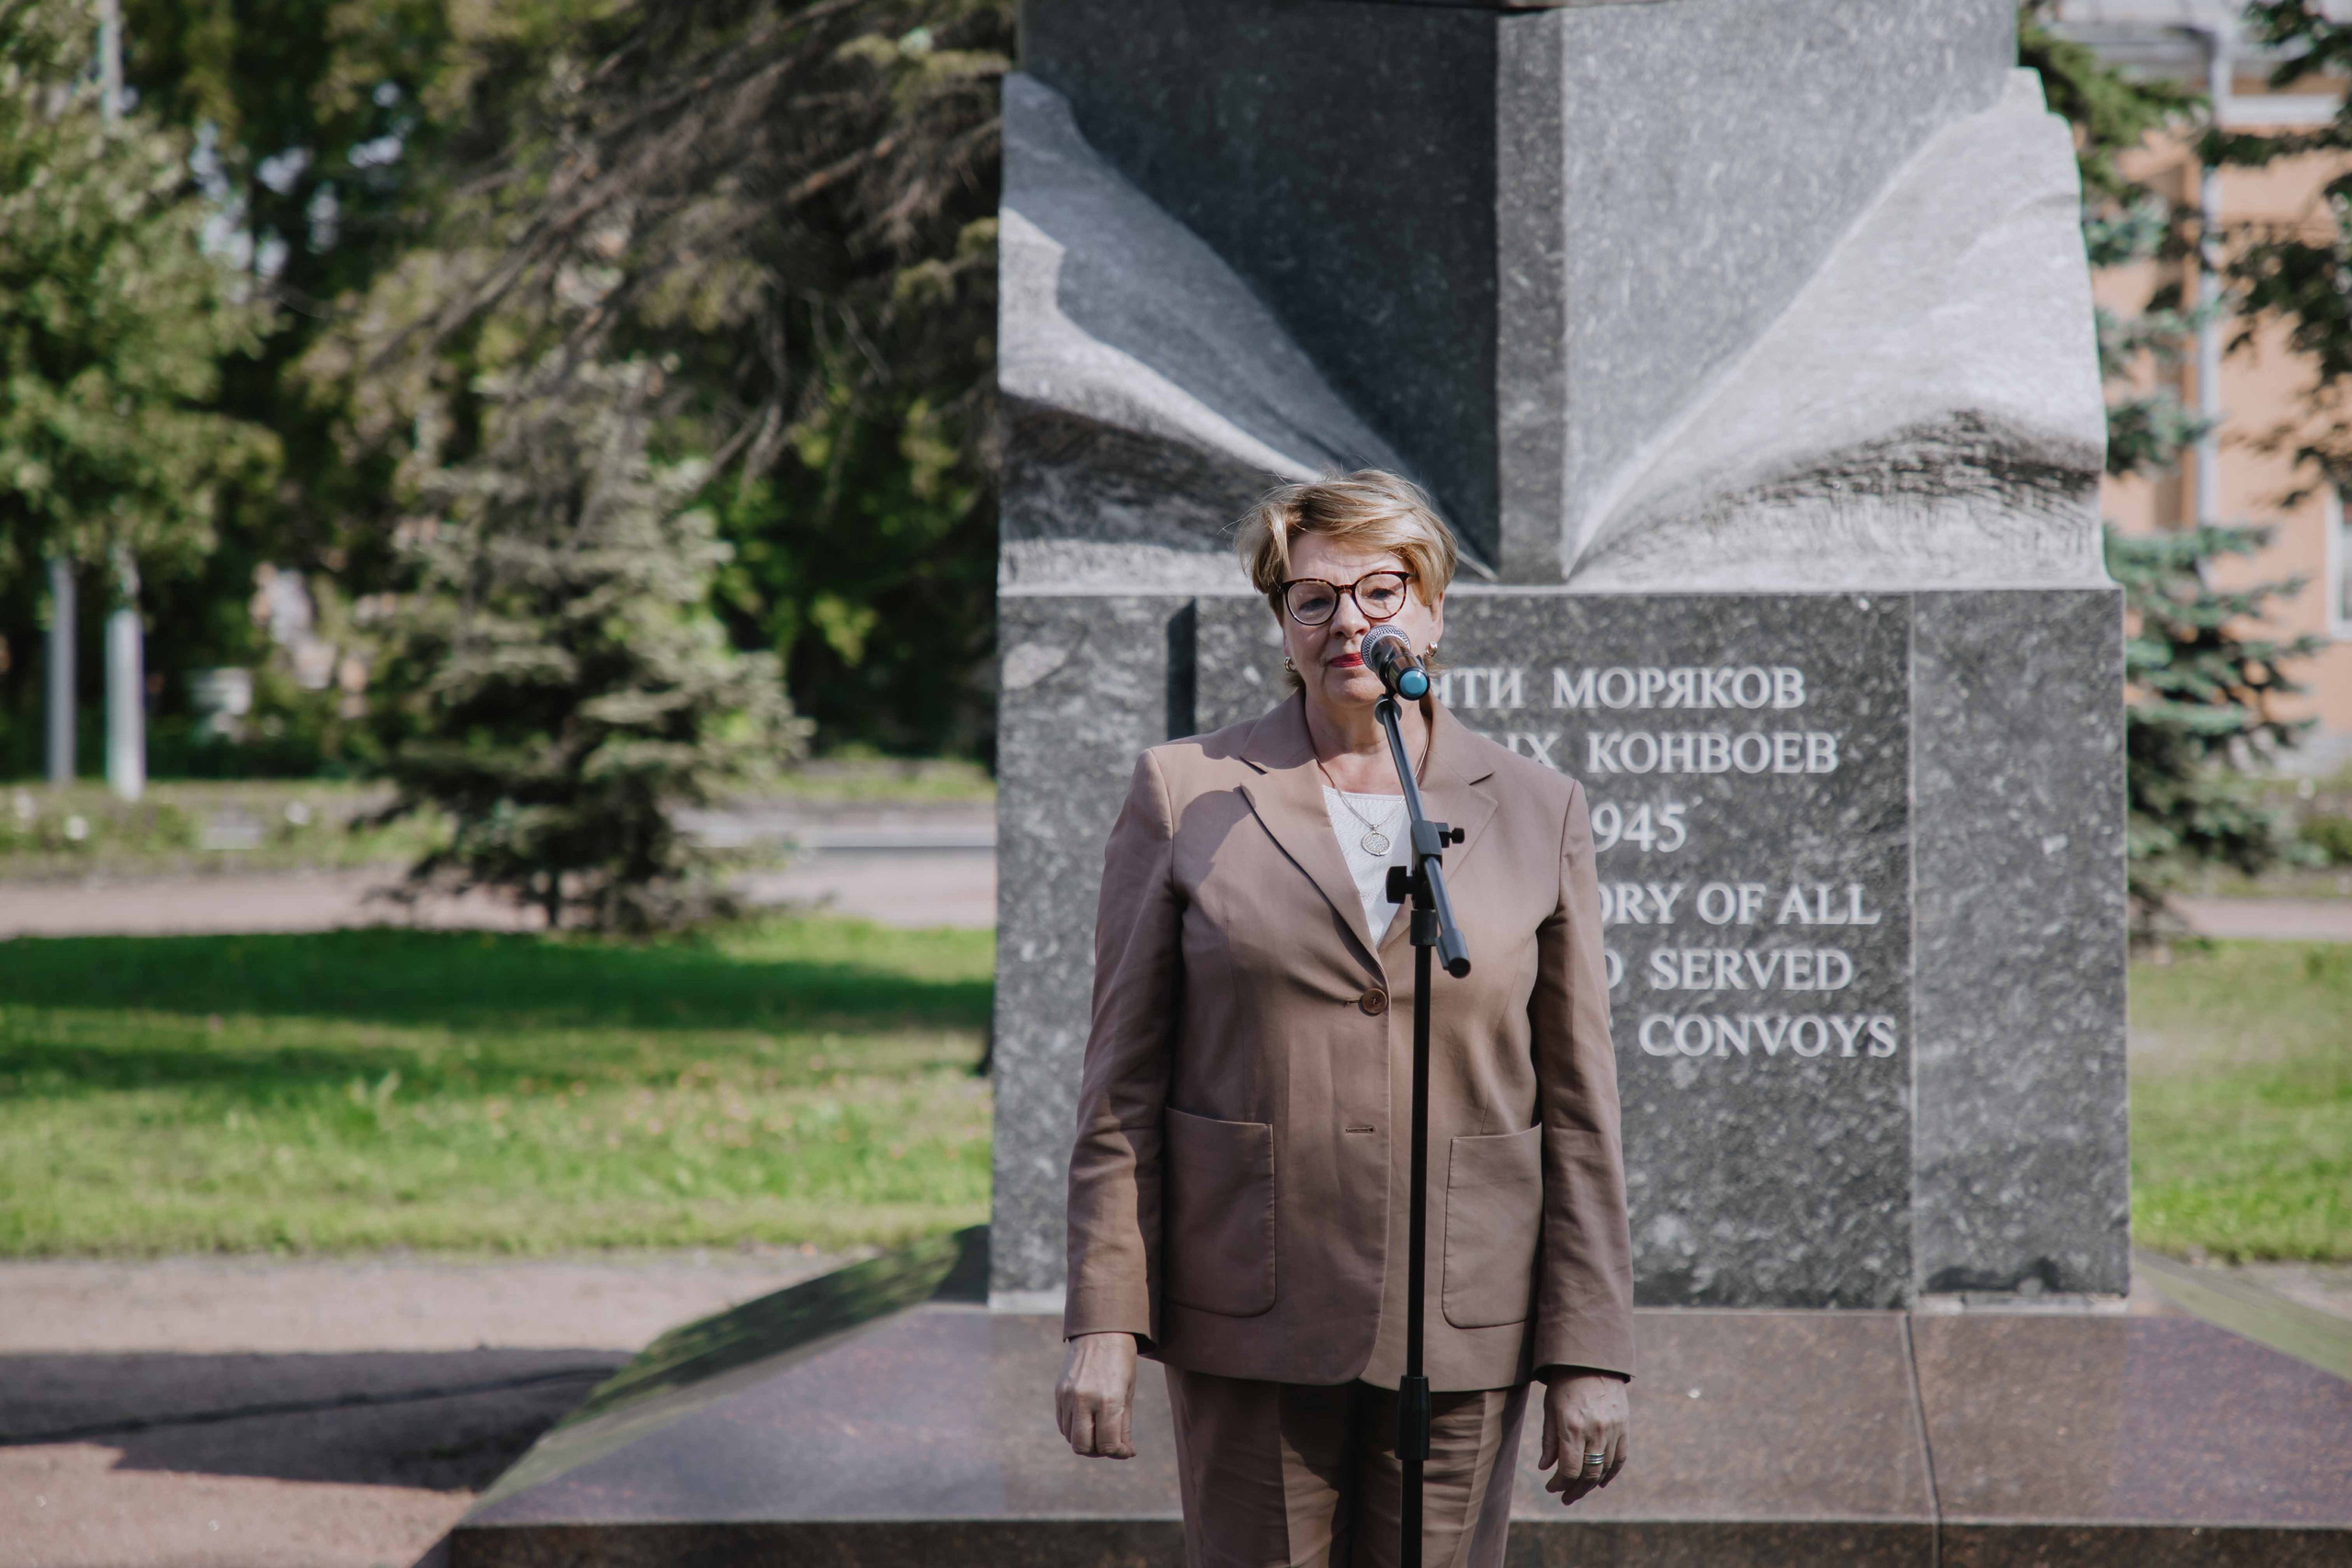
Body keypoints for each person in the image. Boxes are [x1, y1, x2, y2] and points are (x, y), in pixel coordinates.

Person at [1053, 470, 1634, 1567]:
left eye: (1380, 590)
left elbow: (1580, 1106)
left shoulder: (1537, 807)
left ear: (1432, 607)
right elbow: (1119, 1086)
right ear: (1281, 622)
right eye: (1312, 599)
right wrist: (1102, 1320)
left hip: (1466, 1320)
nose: (1349, 623)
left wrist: (1590, 1349)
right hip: (1252, 1304)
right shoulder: (1188, 793)